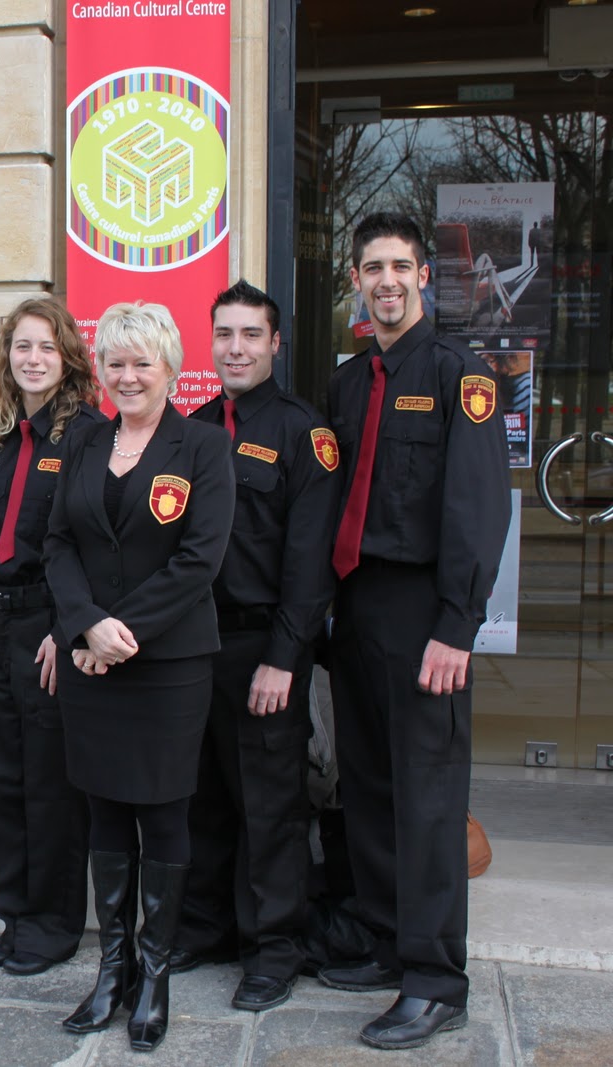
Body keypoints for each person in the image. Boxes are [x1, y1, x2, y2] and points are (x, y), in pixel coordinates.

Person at [320, 213, 509, 1050]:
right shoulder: (349, 383)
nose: (386, 280)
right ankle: (387, 938)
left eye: (400, 266)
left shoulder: (460, 373)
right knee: (368, 786)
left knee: (429, 800)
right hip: (358, 610)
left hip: (426, 615)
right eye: (372, 268)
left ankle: (436, 979)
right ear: (356, 281)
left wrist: (456, 627)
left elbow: (478, 509)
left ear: (424, 276)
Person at [45, 302, 234, 1052]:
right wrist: (84, 623)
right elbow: (57, 542)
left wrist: (117, 633)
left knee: (162, 816)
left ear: (169, 368)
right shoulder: (87, 440)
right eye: (115, 362)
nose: (127, 376)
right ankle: (112, 968)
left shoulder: (205, 447)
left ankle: (155, 976)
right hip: (93, 658)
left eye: (141, 363)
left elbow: (199, 560)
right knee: (102, 814)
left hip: (168, 665)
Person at [176, 281, 341, 1011]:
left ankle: (275, 947)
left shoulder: (305, 434)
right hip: (196, 647)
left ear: (276, 344)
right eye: (225, 334)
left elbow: (310, 566)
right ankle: (208, 927)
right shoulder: (193, 429)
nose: (236, 347)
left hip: (264, 649)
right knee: (204, 797)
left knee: (271, 806)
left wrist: (284, 656)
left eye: (251, 334)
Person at [0, 296, 103, 977]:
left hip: (48, 627)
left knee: (49, 786)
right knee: (1, 781)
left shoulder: (89, 437)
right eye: (21, 347)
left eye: (45, 346)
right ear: (7, 359)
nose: (32, 358)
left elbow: (98, 545)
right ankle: (14, 916)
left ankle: (54, 924)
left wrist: (69, 627)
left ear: (67, 356)